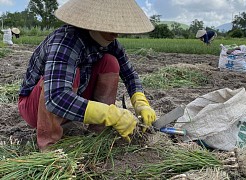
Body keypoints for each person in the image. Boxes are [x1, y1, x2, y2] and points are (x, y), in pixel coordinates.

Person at [18, 0, 156, 151]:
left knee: (110, 62)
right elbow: (56, 97)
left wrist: (140, 102)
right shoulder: (66, 41)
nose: (116, 33)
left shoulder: (110, 43)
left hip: (71, 101)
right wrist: (110, 114)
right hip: (37, 106)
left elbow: (129, 74)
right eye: (111, 26)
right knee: (73, 74)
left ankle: (98, 132)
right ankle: (49, 145)